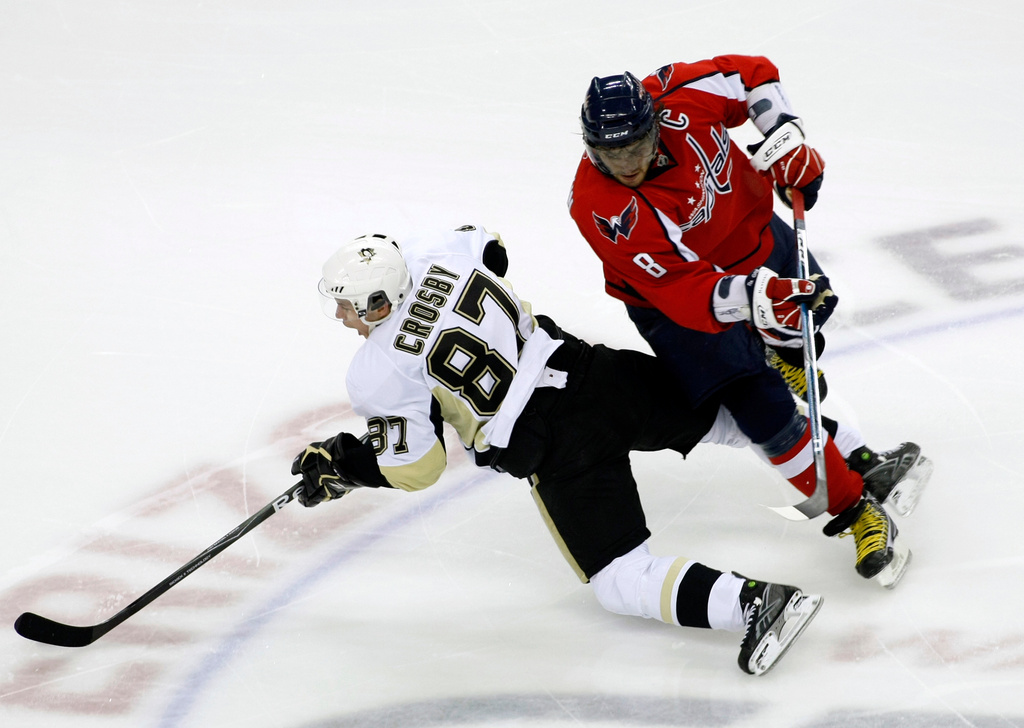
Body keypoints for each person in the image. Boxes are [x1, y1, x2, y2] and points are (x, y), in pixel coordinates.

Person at [291, 223, 822, 676]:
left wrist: (346, 464)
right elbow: (491, 246)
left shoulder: (378, 369)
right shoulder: (437, 254)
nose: (340, 316)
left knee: (620, 579)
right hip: (595, 374)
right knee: (737, 419)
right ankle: (856, 470)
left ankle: (754, 603)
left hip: (557, 443)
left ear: (379, 301)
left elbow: (418, 467)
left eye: (346, 305)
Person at [567, 56, 933, 587]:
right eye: (610, 151)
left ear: (653, 123)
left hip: (754, 239)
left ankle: (780, 359)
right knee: (767, 414)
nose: (626, 162)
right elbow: (680, 289)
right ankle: (857, 513)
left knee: (814, 317)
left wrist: (785, 140)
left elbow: (751, 73)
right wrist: (757, 299)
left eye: (636, 146)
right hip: (677, 310)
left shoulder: (678, 95)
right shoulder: (601, 207)